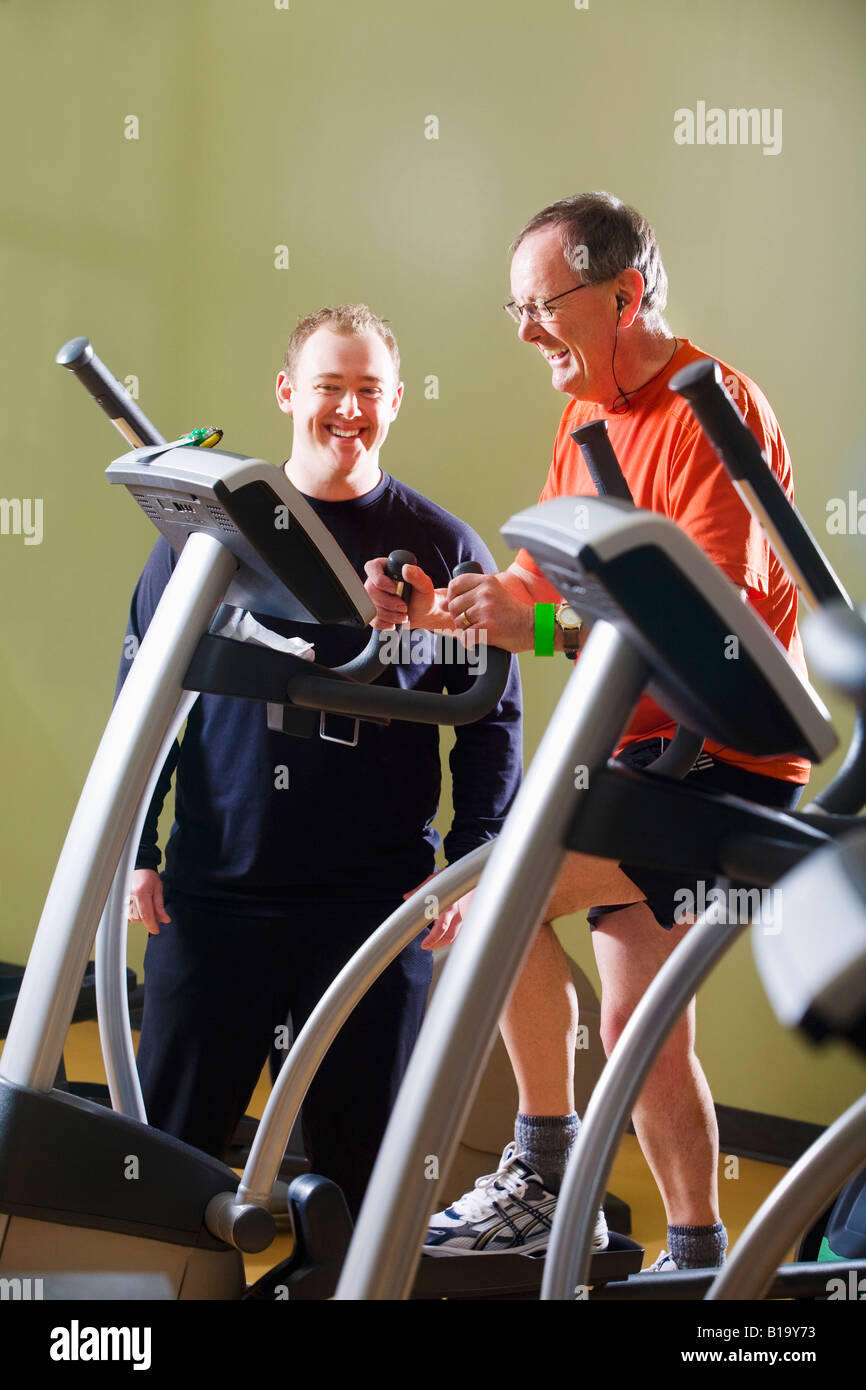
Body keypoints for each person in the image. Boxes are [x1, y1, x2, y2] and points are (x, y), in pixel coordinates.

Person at [364, 193, 808, 1269]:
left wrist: (545, 623)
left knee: (490, 906)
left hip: (727, 760)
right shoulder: (586, 410)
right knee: (635, 1030)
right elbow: (535, 583)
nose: (524, 334)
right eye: (511, 310)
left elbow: (707, 624)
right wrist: (440, 606)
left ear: (624, 292)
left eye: (540, 306)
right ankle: (697, 1251)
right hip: (644, 757)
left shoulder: (713, 407)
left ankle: (542, 1162)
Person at [119, 304, 522, 1220]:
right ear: (286, 392)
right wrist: (139, 845)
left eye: (368, 391)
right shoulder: (206, 537)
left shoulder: (444, 546)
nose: (349, 409)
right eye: (329, 387)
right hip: (214, 891)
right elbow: (143, 692)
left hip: (371, 904)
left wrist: (468, 862)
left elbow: (493, 716)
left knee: (361, 1172)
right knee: (167, 1161)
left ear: (396, 402)